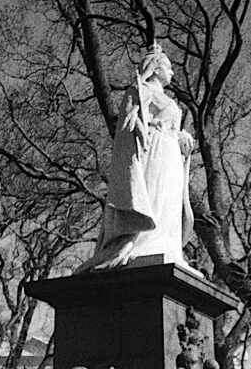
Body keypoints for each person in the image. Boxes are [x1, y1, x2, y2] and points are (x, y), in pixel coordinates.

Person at [76, 42, 199, 274]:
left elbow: (172, 125)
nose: (172, 71)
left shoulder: (164, 96)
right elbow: (129, 123)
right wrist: (140, 111)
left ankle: (168, 247)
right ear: (156, 68)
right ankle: (144, 244)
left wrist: (182, 136)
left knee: (169, 202)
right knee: (155, 195)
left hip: (171, 154)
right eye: (168, 67)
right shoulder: (141, 90)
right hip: (155, 151)